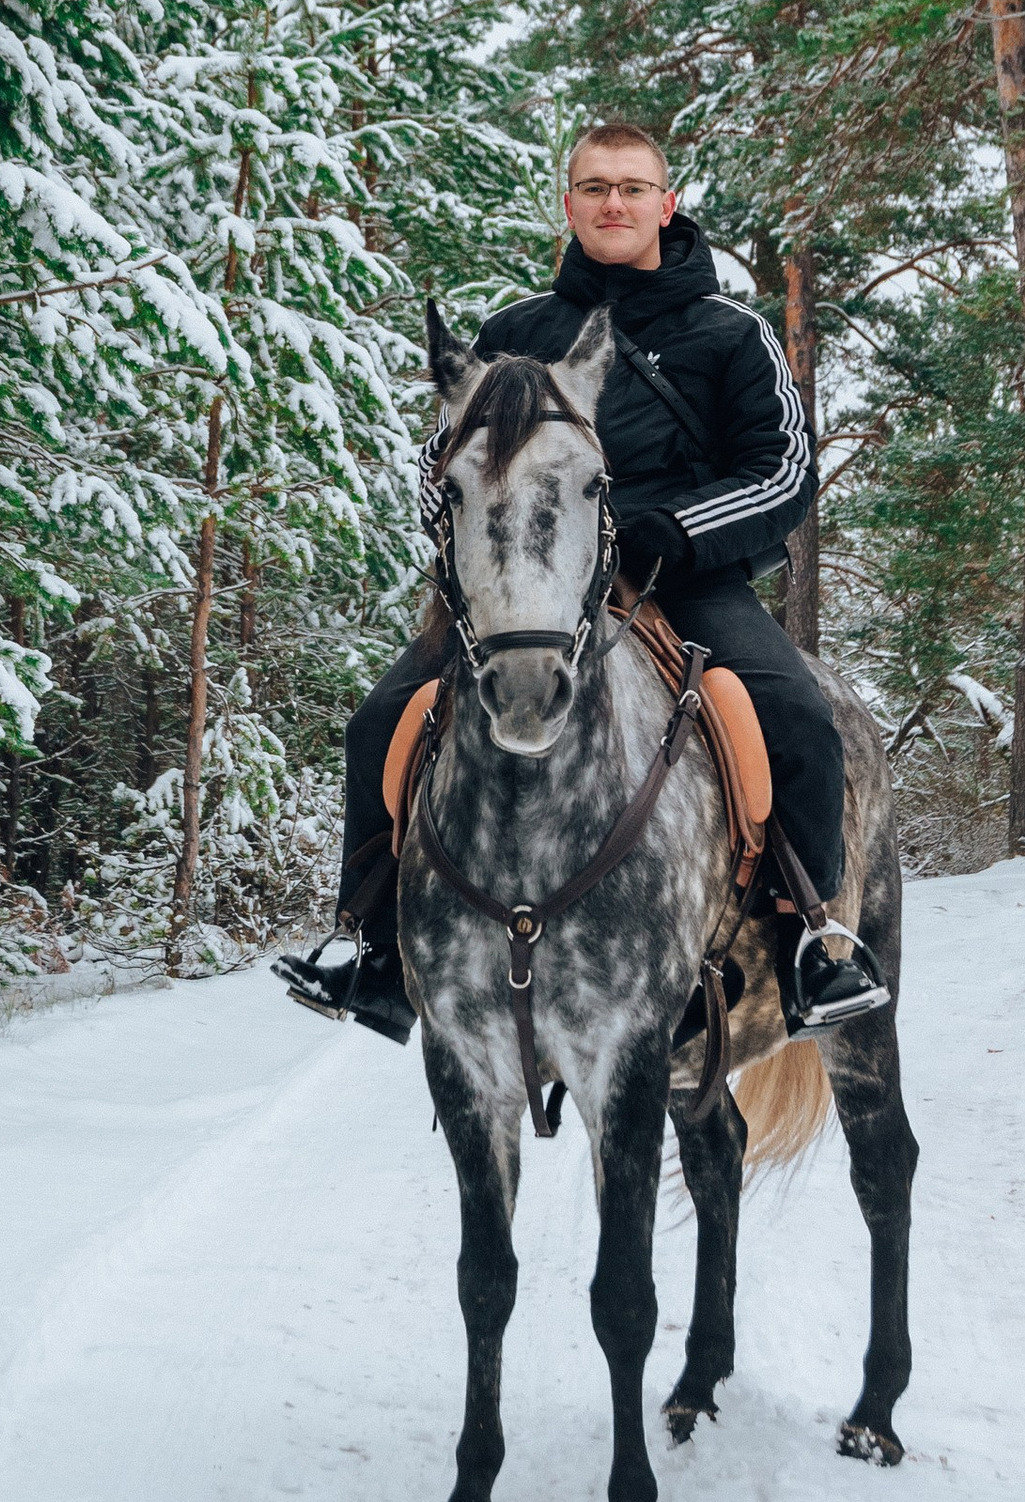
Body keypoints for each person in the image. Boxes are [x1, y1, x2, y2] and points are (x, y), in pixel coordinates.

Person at [276, 121, 893, 1047]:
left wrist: (670, 531)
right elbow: (446, 465)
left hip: (679, 580)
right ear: (568, 205)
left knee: (795, 715)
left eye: (633, 187)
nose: (615, 203)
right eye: (596, 186)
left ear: (666, 204)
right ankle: (367, 946)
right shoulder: (514, 333)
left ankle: (812, 939)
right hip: (530, 593)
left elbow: (781, 472)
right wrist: (478, 549)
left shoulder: (733, 336)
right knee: (381, 722)